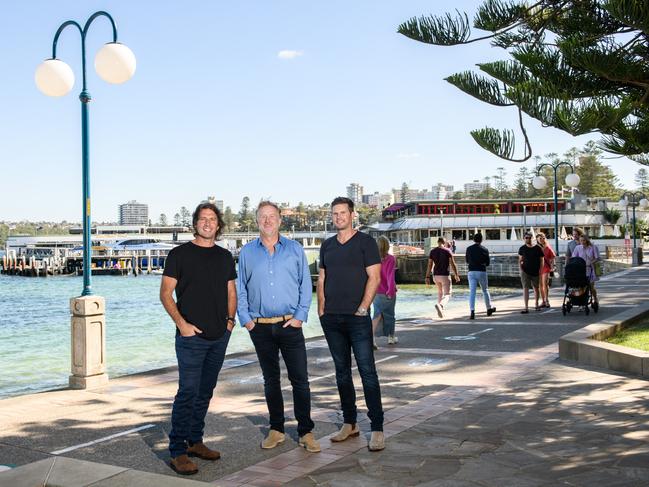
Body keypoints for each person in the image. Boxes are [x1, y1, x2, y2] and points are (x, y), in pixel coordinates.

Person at [160, 202, 237, 475]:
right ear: (195, 223)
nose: (207, 223)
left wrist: (230, 323)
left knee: (205, 391)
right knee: (188, 392)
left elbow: (231, 291)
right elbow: (166, 294)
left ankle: (195, 441)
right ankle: (177, 451)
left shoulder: (225, 256)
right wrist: (182, 325)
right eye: (203, 219)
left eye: (212, 219)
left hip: (219, 336)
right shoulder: (179, 254)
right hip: (191, 337)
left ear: (218, 225)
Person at [237, 201, 320, 453]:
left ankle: (305, 431)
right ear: (257, 221)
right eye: (263, 217)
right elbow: (240, 288)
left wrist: (299, 317)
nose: (268, 221)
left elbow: (306, 286)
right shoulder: (247, 253)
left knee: (300, 380)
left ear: (280, 220)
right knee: (271, 380)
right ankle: (276, 429)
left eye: (272, 216)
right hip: (260, 327)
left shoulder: (295, 249)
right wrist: (247, 319)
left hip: (290, 325)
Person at [317, 196, 385, 451]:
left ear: (352, 214)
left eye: (343, 213)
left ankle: (377, 427)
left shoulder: (366, 242)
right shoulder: (327, 246)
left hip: (357, 319)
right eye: (334, 213)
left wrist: (363, 308)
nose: (338, 217)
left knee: (367, 372)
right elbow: (322, 278)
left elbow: (374, 277)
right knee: (342, 373)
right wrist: (321, 308)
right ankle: (350, 423)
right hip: (331, 319)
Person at [372, 236, 398, 347]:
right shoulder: (391, 259)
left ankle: (371, 338)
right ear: (387, 246)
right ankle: (391, 337)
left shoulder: (372, 259)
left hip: (374, 292)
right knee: (390, 315)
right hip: (387, 291)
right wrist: (390, 291)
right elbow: (390, 276)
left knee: (376, 314)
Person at [425, 237, 460, 318]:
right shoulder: (448, 251)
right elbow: (453, 264)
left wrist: (427, 276)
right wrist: (456, 275)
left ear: (437, 242)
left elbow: (430, 265)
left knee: (440, 292)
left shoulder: (432, 251)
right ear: (444, 243)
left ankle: (440, 312)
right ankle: (440, 305)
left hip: (435, 276)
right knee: (447, 294)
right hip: (445, 275)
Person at [465, 233, 496, 320]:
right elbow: (488, 263)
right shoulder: (485, 249)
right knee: (485, 290)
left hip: (471, 271)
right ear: (481, 240)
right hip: (482, 271)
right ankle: (489, 309)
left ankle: (472, 311)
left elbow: (467, 261)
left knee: (472, 292)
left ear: (473, 240)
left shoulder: (469, 249)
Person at [518, 232, 544, 313]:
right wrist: (520, 269)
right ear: (524, 239)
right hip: (525, 271)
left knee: (536, 288)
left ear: (532, 238)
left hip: (536, 271)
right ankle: (526, 307)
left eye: (529, 237)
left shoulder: (538, 248)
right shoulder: (522, 248)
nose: (528, 239)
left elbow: (542, 260)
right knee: (525, 288)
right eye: (526, 238)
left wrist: (541, 269)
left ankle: (536, 304)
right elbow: (520, 260)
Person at [572, 234, 600, 305]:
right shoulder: (578, 248)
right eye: (581, 240)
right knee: (581, 286)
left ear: (587, 240)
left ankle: (595, 298)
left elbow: (597, 258)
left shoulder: (593, 247)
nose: (582, 242)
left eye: (584, 240)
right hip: (581, 270)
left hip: (591, 269)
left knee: (591, 286)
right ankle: (581, 302)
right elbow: (574, 257)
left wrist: (590, 263)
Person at [536, 233, 556, 308]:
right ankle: (543, 301)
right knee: (540, 285)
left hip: (546, 268)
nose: (542, 239)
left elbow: (552, 257)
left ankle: (547, 300)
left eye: (543, 238)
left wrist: (553, 267)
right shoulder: (536, 248)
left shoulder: (548, 247)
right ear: (537, 239)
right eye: (540, 238)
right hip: (538, 268)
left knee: (545, 284)